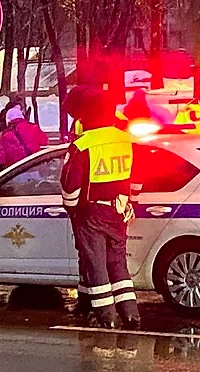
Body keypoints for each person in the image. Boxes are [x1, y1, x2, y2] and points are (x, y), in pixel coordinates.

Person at [60, 87, 142, 329]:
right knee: (116, 262)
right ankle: (130, 313)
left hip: (91, 212)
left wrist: (72, 209)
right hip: (118, 210)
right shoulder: (126, 140)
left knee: (95, 263)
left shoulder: (84, 145)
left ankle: (107, 317)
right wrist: (130, 202)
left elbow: (70, 184)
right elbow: (136, 177)